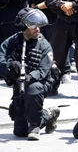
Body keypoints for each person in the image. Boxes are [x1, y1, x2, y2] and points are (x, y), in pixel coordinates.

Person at [0, 8, 60, 140]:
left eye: (38, 26)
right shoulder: (13, 41)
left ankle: (35, 126)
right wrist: (10, 66)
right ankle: (49, 115)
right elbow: (1, 58)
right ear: (24, 27)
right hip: (19, 85)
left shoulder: (44, 44)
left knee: (33, 89)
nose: (37, 29)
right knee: (20, 132)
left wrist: (29, 77)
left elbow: (43, 70)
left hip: (40, 83)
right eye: (33, 26)